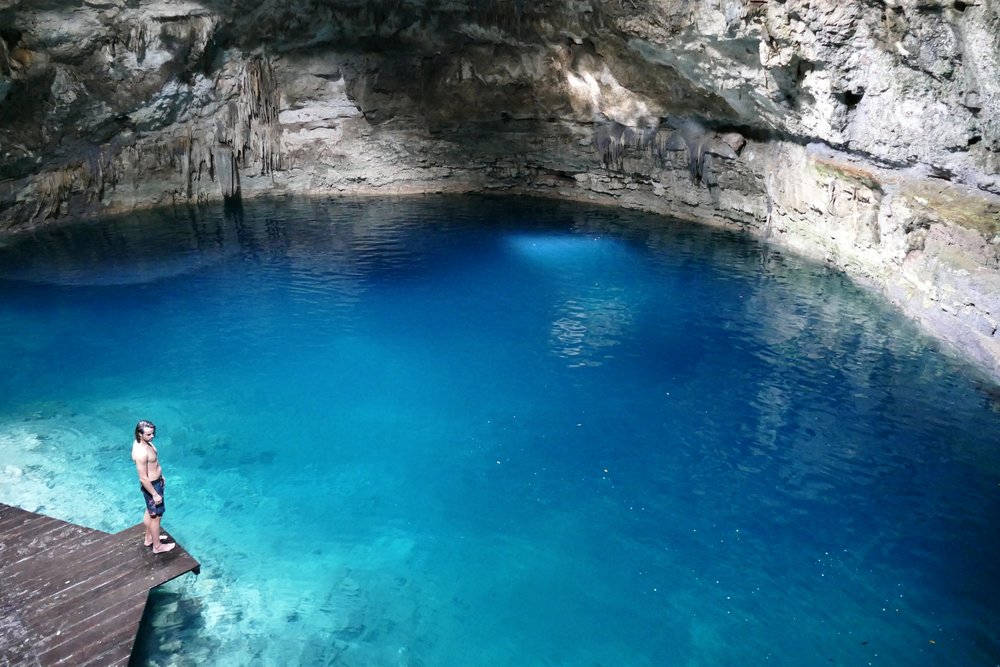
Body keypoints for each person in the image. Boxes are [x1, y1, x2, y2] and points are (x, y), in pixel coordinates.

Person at [131, 419, 176, 553]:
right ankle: (157, 546)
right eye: (149, 434)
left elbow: (152, 465)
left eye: (153, 433)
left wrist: (160, 476)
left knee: (149, 512)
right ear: (140, 434)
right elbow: (143, 477)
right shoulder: (141, 452)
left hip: (155, 483)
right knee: (156, 517)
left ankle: (149, 538)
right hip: (152, 486)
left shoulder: (141, 443)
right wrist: (155, 494)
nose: (152, 437)